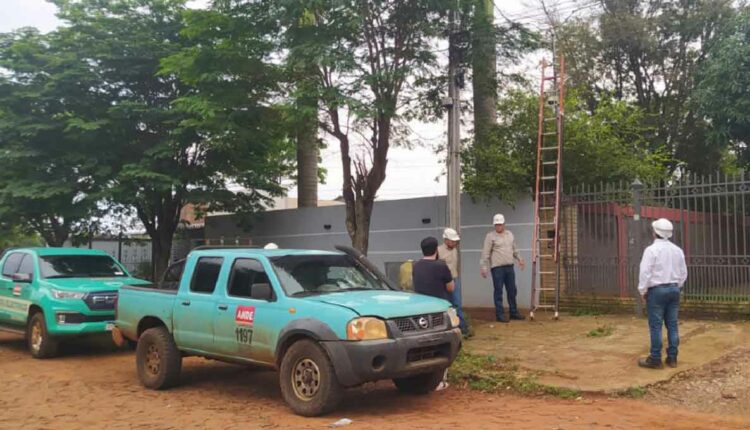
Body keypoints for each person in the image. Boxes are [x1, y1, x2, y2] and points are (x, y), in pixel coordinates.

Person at [637, 218, 688, 369]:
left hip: (657, 291)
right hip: (674, 289)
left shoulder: (651, 250)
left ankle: (655, 358)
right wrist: (677, 286)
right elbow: (683, 272)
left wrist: (642, 290)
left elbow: (645, 272)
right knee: (672, 324)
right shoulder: (677, 250)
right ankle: (672, 358)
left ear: (654, 232)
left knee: (656, 326)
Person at [412, 236, 454, 390]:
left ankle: (421, 377)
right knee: (442, 344)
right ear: (436, 249)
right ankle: (439, 380)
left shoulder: (416, 266)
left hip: (420, 312)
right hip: (438, 310)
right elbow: (451, 288)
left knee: (423, 345)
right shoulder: (441, 266)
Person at [480, 214, 526, 323]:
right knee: (498, 291)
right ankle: (500, 315)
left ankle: (513, 312)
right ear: (494, 225)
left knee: (512, 290)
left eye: (500, 224)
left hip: (509, 267)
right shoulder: (490, 236)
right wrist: (483, 266)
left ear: (504, 224)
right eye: (496, 225)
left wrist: (520, 259)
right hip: (497, 269)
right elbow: (485, 253)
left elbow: (514, 249)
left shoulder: (509, 235)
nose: (498, 226)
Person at [438, 228, 469, 335]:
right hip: (443, 282)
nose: (454, 243)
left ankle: (463, 327)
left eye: (455, 241)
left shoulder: (455, 250)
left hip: (454, 279)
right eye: (452, 241)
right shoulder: (438, 251)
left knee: (457, 304)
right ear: (445, 240)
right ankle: (448, 328)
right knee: (446, 305)